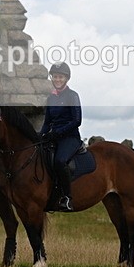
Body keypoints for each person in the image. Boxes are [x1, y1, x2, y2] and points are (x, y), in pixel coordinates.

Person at [39, 62, 82, 212]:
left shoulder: (72, 96)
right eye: (55, 76)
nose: (57, 79)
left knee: (60, 160)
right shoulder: (51, 98)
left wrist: (57, 132)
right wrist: (40, 136)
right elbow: (47, 122)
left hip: (70, 137)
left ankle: (67, 198)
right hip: (53, 137)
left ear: (66, 78)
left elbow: (77, 121)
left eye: (60, 77)